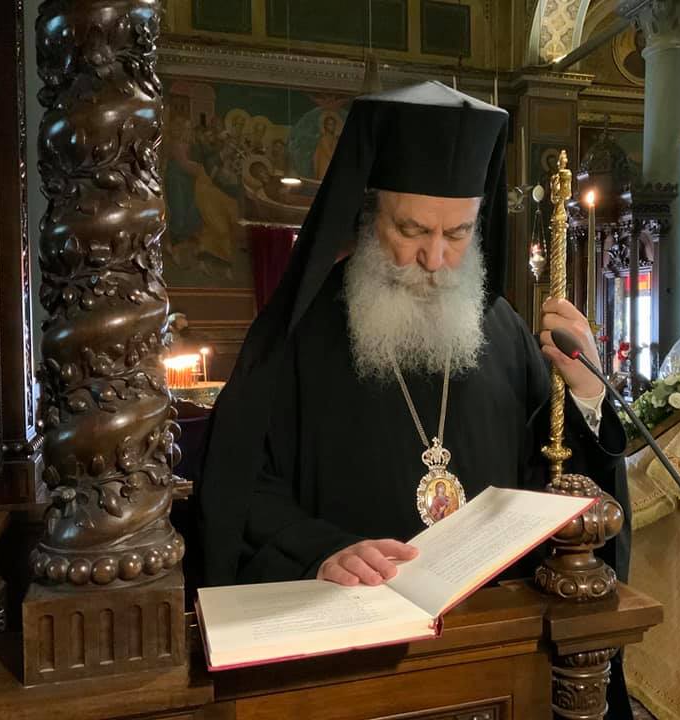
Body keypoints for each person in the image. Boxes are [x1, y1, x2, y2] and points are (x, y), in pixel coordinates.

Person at [198, 82, 632, 719]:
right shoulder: (297, 337)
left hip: (497, 653)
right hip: (354, 658)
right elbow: (238, 489)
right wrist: (319, 550)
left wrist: (589, 392)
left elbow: (558, 475)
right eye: (411, 230)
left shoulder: (504, 330)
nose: (435, 258)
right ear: (368, 215)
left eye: (458, 233)